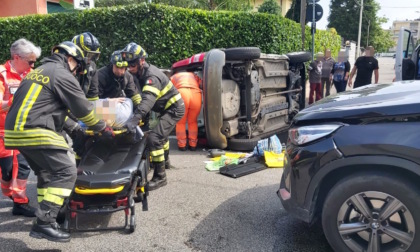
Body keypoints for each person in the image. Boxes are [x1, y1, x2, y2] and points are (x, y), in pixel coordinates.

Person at [4, 41, 113, 242]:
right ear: (70, 59)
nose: (78, 71)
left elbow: (50, 109)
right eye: (78, 66)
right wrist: (102, 128)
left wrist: (76, 128)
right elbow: (83, 109)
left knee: (46, 172)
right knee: (66, 171)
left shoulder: (41, 71)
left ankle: (53, 215)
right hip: (34, 129)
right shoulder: (61, 74)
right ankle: (44, 222)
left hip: (14, 132)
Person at [123, 42, 185, 190]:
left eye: (132, 64)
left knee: (154, 138)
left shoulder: (151, 77)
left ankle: (160, 176)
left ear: (141, 61)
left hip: (174, 109)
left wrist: (134, 120)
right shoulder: (139, 73)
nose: (129, 67)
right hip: (165, 108)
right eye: (128, 64)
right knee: (160, 135)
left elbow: (147, 102)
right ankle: (166, 161)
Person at [0, 39, 41, 217]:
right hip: (3, 132)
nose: (33, 65)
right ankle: (9, 191)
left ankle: (20, 202)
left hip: (23, 130)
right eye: (30, 61)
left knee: (22, 167)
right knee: (7, 171)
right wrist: (15, 102)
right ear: (17, 57)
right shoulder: (2, 75)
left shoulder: (31, 74)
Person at [64, 32, 102, 164]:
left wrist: (96, 118)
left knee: (86, 138)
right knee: (61, 146)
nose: (89, 59)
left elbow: (92, 96)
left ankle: (80, 168)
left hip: (78, 109)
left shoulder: (91, 68)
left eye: (93, 55)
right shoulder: (64, 68)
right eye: (87, 54)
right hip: (59, 112)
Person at [97, 50, 142, 126]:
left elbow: (134, 95)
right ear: (112, 64)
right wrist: (109, 101)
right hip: (101, 107)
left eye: (122, 68)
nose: (120, 71)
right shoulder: (100, 76)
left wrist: (140, 111)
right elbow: (94, 101)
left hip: (117, 108)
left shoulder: (127, 76)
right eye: (117, 67)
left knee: (129, 101)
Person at [170, 71, 202, 151]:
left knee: (180, 122)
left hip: (182, 93)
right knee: (193, 121)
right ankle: (193, 144)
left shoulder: (174, 76)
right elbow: (201, 84)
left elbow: (169, 89)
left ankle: (182, 145)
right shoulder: (193, 75)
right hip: (196, 94)